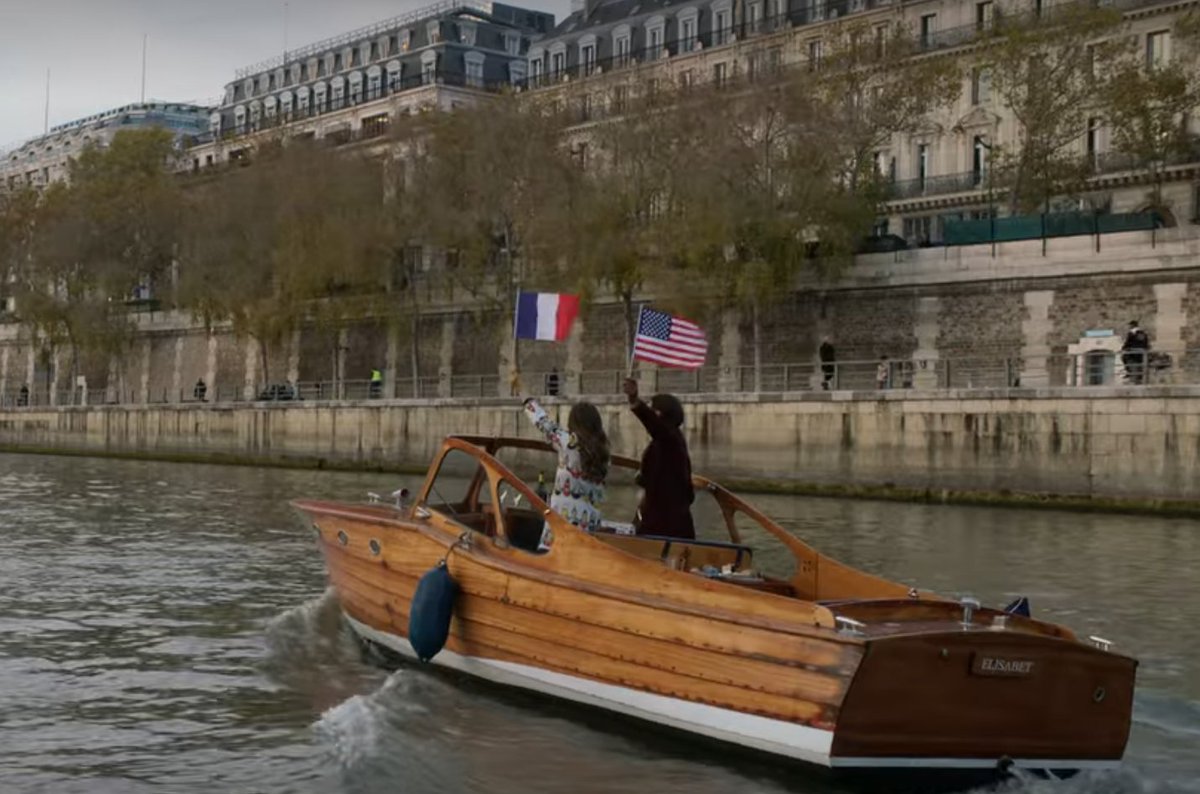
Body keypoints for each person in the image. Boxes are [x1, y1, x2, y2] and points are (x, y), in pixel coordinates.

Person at [522, 397, 610, 550]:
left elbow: (543, 423)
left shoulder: (569, 444)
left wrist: (526, 400)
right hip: (589, 527)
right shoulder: (604, 453)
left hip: (563, 523)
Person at [622, 378, 695, 540]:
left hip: (665, 521)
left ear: (660, 413)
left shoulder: (669, 438)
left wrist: (635, 401)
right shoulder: (669, 441)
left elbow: (655, 427)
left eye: (652, 409)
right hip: (666, 515)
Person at [1122, 320, 1150, 385]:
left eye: (1130, 325)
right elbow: (1146, 342)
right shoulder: (1143, 333)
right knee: (1141, 365)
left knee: (1124, 358)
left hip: (1133, 352)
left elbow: (1128, 343)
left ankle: (1128, 372)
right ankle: (1139, 377)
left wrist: (1124, 348)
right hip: (1142, 352)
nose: (1129, 326)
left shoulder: (1131, 333)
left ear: (1132, 325)